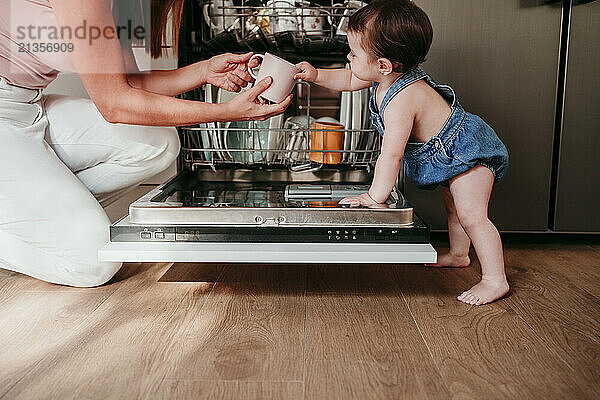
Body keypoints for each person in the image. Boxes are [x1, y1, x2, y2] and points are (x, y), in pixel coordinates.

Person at [0, 0, 291, 287]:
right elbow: (114, 105)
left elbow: (126, 83)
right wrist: (226, 112)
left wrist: (203, 72)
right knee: (94, 259)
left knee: (157, 143)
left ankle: (40, 215)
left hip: (28, 105)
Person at [295, 0, 510, 305]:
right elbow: (347, 78)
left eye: (354, 54)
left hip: (469, 154)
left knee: (472, 216)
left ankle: (494, 279)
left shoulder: (402, 100)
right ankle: (460, 255)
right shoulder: (383, 76)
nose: (348, 57)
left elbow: (391, 155)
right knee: (454, 209)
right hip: (450, 155)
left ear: (382, 65)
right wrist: (315, 74)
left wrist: (374, 196)